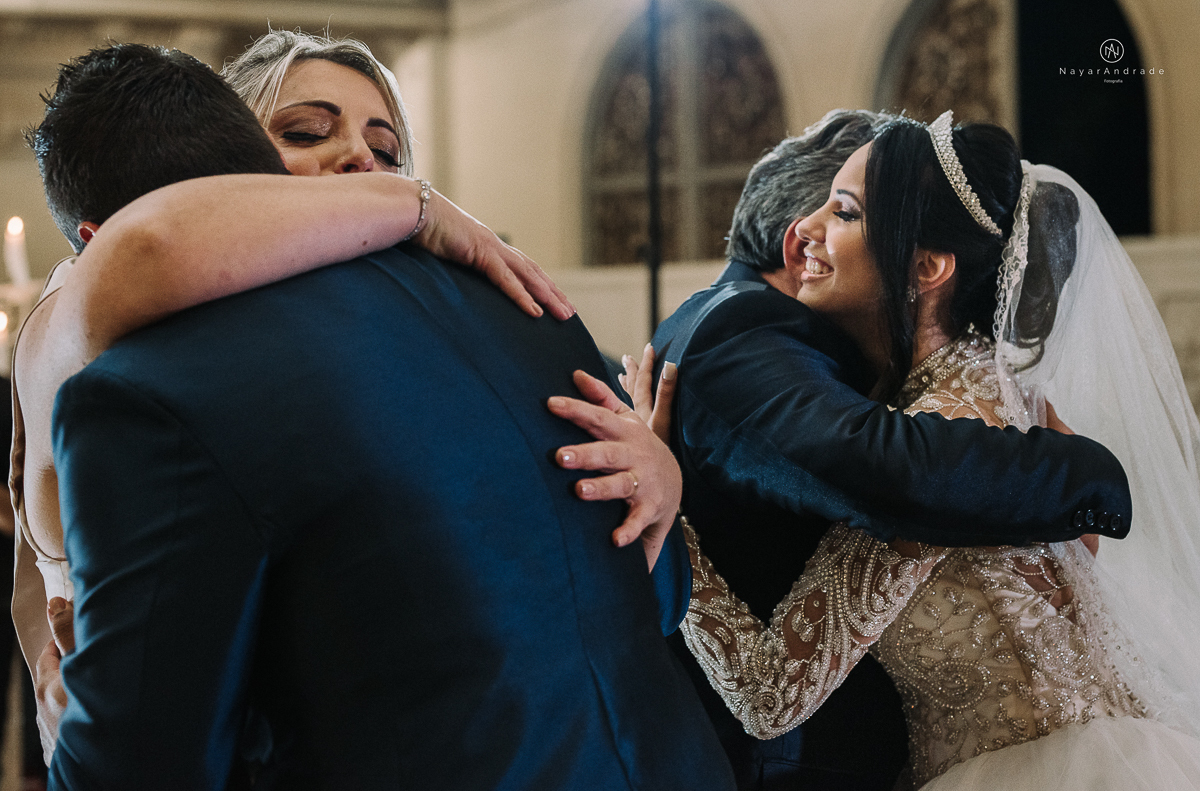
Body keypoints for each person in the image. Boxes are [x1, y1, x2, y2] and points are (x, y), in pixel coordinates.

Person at [29, 43, 733, 788]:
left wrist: (662, 485)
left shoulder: (513, 295)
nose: (361, 164)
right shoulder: (521, 315)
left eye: (386, 146)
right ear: (228, 171)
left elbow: (147, 760)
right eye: (304, 131)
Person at [645, 113, 1200, 789]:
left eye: (843, 212)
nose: (805, 230)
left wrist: (670, 513)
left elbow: (769, 695)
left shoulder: (934, 435)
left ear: (927, 266)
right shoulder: (1004, 388)